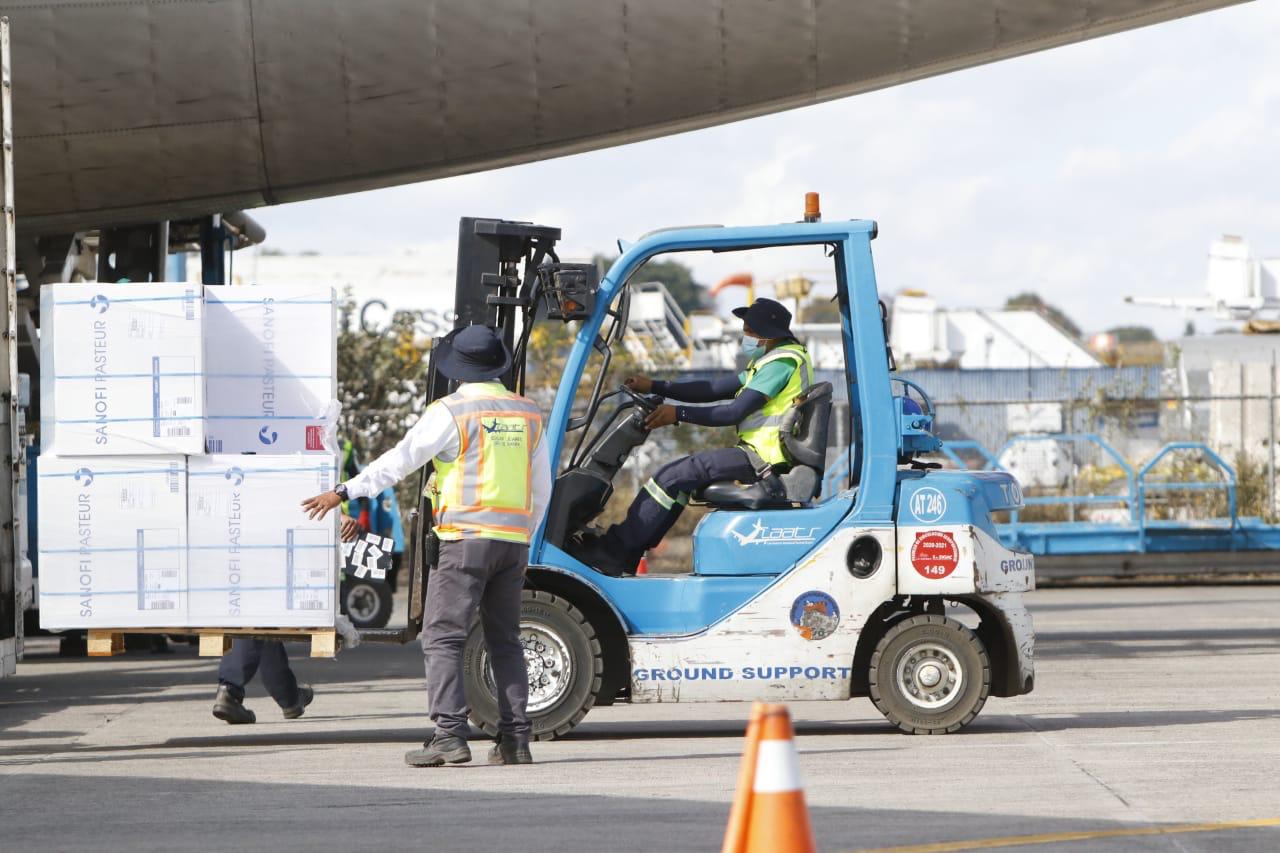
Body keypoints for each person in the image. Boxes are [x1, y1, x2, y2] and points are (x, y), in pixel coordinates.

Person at [301, 324, 550, 767]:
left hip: (464, 541)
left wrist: (343, 491)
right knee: (506, 641)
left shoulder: (451, 412)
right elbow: (542, 488)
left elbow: (399, 461)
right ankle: (515, 740)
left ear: (459, 369)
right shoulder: (528, 413)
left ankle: (449, 735)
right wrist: (524, 538)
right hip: (512, 542)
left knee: (442, 637)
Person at [572, 298, 812, 576]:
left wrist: (678, 414)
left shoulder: (782, 362)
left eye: (749, 331)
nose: (745, 336)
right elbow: (714, 388)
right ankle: (624, 553)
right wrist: (656, 385)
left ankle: (614, 551)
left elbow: (732, 412)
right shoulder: (770, 360)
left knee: (674, 475)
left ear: (766, 333)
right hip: (760, 454)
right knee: (678, 481)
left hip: (765, 459)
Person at [212, 515, 360, 724]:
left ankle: (287, 697)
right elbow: (294, 488)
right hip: (262, 538)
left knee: (264, 622)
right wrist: (336, 514)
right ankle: (231, 689)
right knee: (258, 617)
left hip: (235, 539)